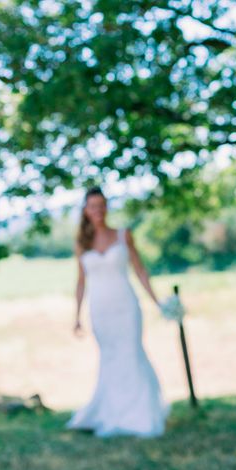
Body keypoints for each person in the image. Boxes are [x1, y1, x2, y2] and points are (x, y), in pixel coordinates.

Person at [67, 186, 167, 438]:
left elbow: (140, 271)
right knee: (110, 358)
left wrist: (157, 302)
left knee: (131, 354)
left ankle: (140, 416)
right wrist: (77, 316)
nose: (98, 210)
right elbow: (81, 281)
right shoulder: (82, 243)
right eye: (93, 206)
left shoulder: (124, 235)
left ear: (107, 207)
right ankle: (111, 412)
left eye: (102, 205)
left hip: (126, 305)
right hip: (100, 309)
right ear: (86, 210)